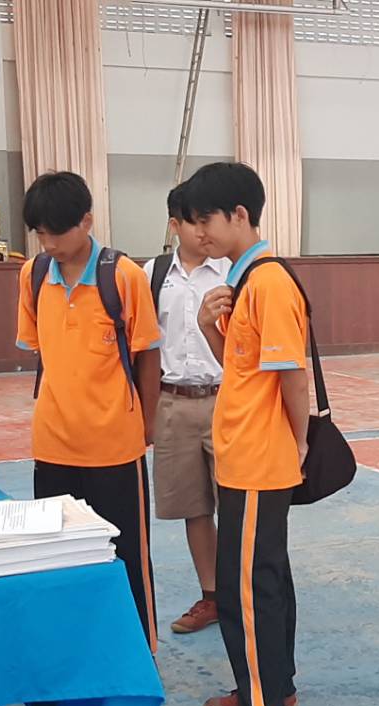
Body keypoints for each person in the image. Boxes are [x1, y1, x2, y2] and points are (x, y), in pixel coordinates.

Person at [185, 162, 313, 706]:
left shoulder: (269, 284)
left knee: (249, 592)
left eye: (205, 219)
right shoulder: (245, 283)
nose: (199, 232)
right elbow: (245, 368)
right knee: (263, 581)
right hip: (243, 457)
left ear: (239, 215)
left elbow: (292, 376)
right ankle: (271, 688)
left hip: (260, 460)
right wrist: (210, 327)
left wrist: (299, 442)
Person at [17, 172, 163, 650]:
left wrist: (147, 424)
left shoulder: (123, 276)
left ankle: (137, 654)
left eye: (57, 232)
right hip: (52, 444)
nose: (49, 243)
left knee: (125, 559)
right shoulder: (33, 275)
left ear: (87, 221)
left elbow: (148, 355)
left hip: (114, 447)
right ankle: (69, 653)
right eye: (40, 233)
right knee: (56, 559)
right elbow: (43, 348)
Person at [152, 183, 235, 635]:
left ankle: (242, 594)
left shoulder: (231, 273)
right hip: (174, 403)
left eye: (210, 220)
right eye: (195, 221)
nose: (204, 231)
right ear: (174, 225)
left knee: (236, 506)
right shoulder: (151, 275)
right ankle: (212, 596)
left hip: (226, 400)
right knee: (194, 508)